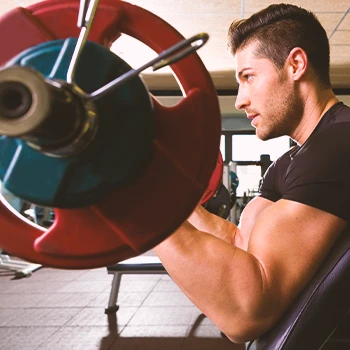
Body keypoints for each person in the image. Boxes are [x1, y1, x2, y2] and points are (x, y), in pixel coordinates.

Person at [153, 3, 350, 344]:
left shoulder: (339, 143)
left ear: (296, 65)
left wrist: (138, 204)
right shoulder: (287, 163)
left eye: (248, 77)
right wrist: (166, 192)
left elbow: (246, 312)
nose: (240, 100)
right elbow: (239, 243)